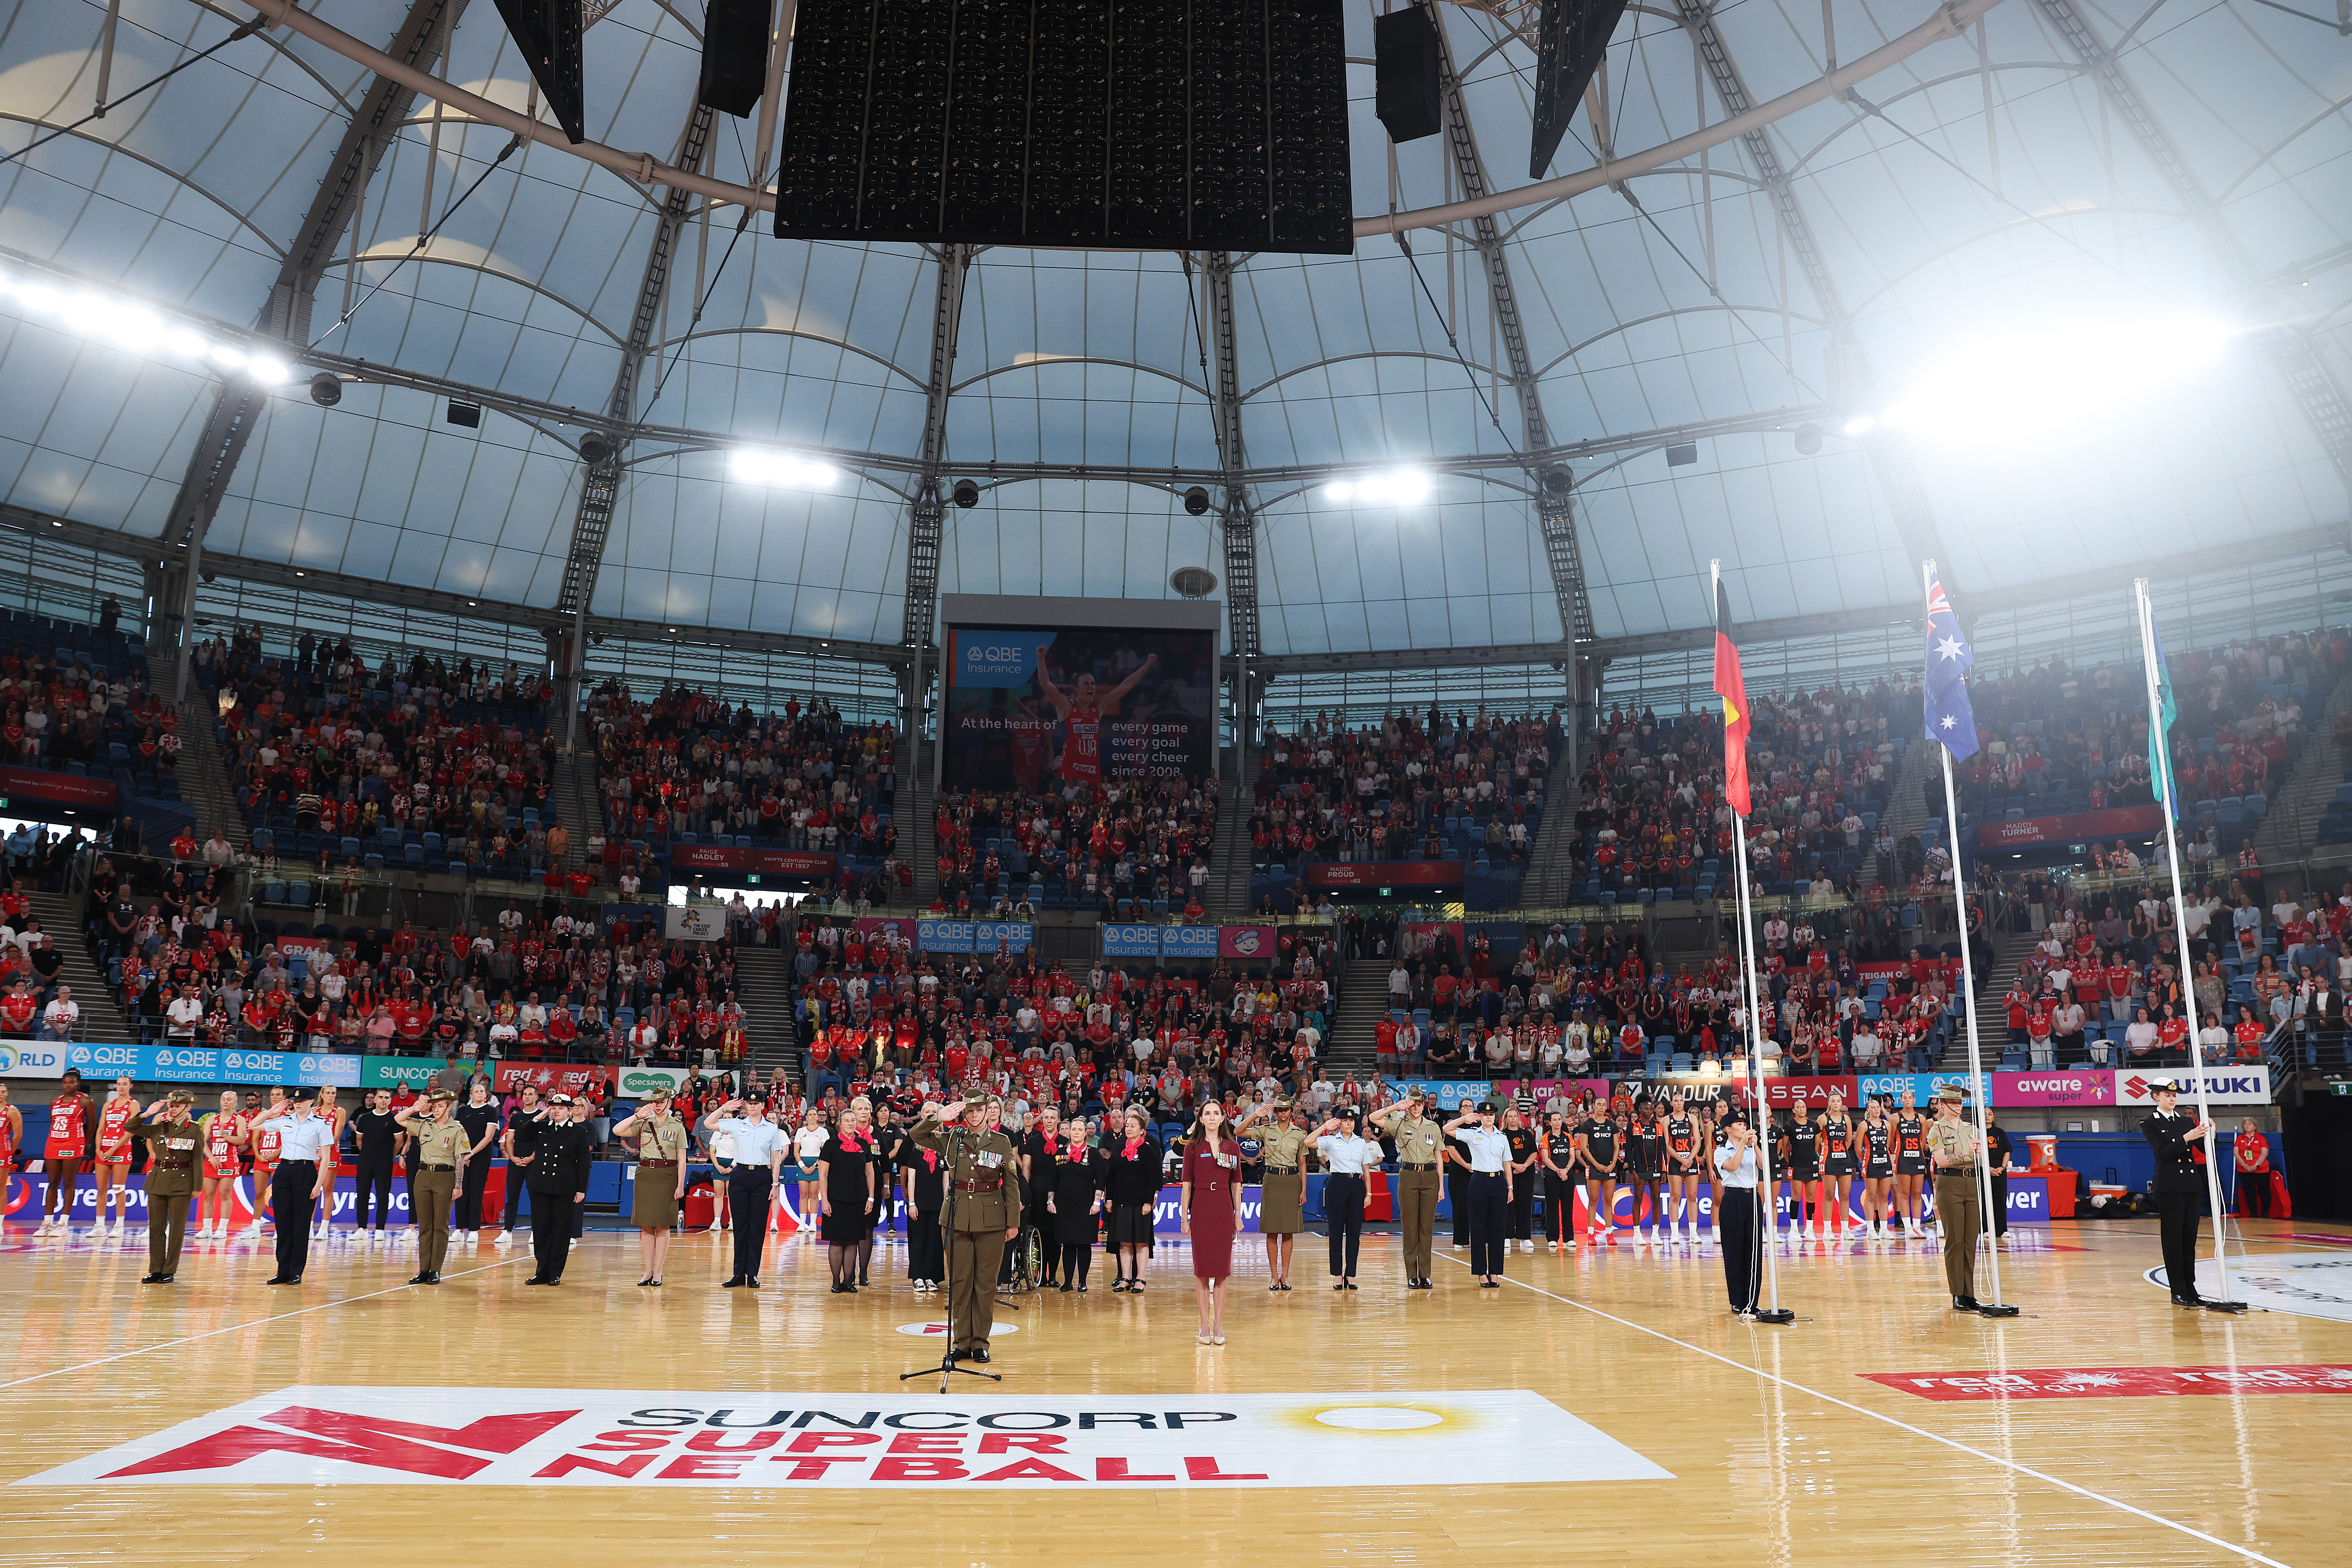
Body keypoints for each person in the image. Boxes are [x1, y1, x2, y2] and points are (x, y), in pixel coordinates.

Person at [909, 1094, 1024, 1364]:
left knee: (985, 1285)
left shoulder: (1001, 1142)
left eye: (979, 1110)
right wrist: (938, 1118)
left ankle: (980, 1343)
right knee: (960, 1284)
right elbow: (916, 1136)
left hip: (991, 1218)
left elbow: (1011, 1183)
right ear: (963, 1113)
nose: (974, 1115)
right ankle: (961, 1343)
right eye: (969, 1111)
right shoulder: (952, 1138)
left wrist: (1013, 1222)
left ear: (987, 1112)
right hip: (957, 1216)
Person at [2141, 1080, 2222, 1309]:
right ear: (2156, 1097)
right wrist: (2187, 1137)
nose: (2172, 1099)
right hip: (2169, 1186)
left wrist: (2211, 1134)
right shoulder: (2150, 1122)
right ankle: (2178, 1290)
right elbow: (2163, 1153)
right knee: (2173, 1241)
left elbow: (2205, 1150)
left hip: (2191, 1184)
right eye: (2167, 1095)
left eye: (2174, 1095)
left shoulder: (2186, 1121)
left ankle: (2190, 1288)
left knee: (2189, 1240)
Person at [703, 1095, 788, 1287]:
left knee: (757, 1227)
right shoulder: (736, 1123)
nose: (753, 1107)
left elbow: (776, 1159)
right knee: (740, 1226)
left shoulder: (772, 1128)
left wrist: (775, 1184)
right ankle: (739, 1274)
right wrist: (725, 1107)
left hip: (762, 1176)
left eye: (756, 1104)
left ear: (763, 1106)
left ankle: (753, 1273)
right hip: (740, 1174)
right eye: (750, 1104)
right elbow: (709, 1123)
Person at [255, 1093, 336, 1285]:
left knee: (301, 1223)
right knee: (283, 1222)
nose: (297, 1104)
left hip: (306, 1170)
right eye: (295, 1101)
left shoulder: (321, 1124)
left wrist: (318, 1185)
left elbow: (326, 1157)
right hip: (284, 1170)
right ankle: (282, 1270)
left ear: (311, 1102)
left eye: (301, 1101)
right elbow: (253, 1125)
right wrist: (271, 1112)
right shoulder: (285, 1120)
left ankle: (296, 1271)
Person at [1181, 1099, 1244, 1344]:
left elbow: (1237, 1184)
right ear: (1201, 1119)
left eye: (1216, 1113)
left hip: (1223, 1207)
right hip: (1202, 1206)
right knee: (1202, 1270)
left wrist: (1238, 1215)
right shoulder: (1193, 1147)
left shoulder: (1232, 1146)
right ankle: (1204, 1326)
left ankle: (1218, 1325)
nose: (1211, 1117)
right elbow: (1186, 1185)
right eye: (1207, 1113)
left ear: (1223, 1118)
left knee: (1221, 1271)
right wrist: (1184, 1217)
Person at [516, 1092, 595, 1285]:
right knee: (541, 1229)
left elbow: (584, 1164)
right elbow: (521, 1135)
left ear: (569, 1111)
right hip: (540, 1186)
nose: (556, 1111)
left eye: (561, 1108)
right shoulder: (542, 1126)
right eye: (553, 1108)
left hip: (564, 1187)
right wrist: (537, 1118)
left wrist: (581, 1190)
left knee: (561, 1231)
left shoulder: (578, 1132)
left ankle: (555, 1273)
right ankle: (541, 1271)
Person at [392, 1089, 469, 1285]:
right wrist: (414, 1108)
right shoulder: (424, 1124)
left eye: (440, 1106)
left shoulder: (457, 1129)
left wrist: (458, 1185)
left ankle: (436, 1270)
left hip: (445, 1177)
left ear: (449, 1108)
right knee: (425, 1226)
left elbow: (459, 1159)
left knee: (440, 1226)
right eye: (434, 1106)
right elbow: (398, 1119)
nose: (436, 1110)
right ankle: (423, 1269)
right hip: (423, 1176)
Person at [127, 1091, 204, 1283]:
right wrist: (147, 1114)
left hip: (181, 1183)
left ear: (188, 1108)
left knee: (177, 1230)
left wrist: (197, 1187)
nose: (173, 1109)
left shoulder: (194, 1130)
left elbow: (197, 1160)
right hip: (158, 1181)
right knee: (156, 1228)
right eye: (171, 1106)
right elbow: (129, 1127)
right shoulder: (160, 1127)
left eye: (178, 1106)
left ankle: (169, 1270)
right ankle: (155, 1269)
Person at [1371, 1088, 1444, 1289]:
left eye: (1420, 1105)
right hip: (1409, 1175)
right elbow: (1373, 1118)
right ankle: (1412, 1274)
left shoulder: (1433, 1127)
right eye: (1413, 1105)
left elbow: (1439, 1157)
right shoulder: (1399, 1124)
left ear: (1424, 1106)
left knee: (1427, 1228)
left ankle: (1425, 1274)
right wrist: (1396, 1107)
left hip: (1430, 1177)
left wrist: (1441, 1186)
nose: (1417, 1108)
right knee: (1410, 1228)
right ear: (1408, 1106)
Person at [615, 1088, 688, 1286]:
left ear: (669, 1104)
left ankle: (658, 1271)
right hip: (645, 1174)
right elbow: (618, 1131)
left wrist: (680, 1185)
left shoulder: (677, 1126)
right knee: (646, 1225)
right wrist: (637, 1115)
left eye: (661, 1102)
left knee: (663, 1225)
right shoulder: (644, 1123)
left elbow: (682, 1159)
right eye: (654, 1102)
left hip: (667, 1174)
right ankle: (648, 1271)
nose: (657, 1105)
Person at [1926, 1087, 1987, 1311]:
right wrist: (1965, 1153)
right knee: (1955, 1241)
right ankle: (1957, 1294)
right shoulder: (1937, 1130)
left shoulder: (1972, 1129)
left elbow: (1982, 1159)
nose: (1959, 1106)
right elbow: (1941, 1161)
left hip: (1972, 1183)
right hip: (1950, 1183)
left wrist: (1980, 1155)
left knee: (1971, 1241)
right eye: (1953, 1102)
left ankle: (1970, 1294)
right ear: (1942, 1104)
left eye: (1960, 1102)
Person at [1238, 1098, 1307, 1291]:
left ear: (1291, 1112)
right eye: (1279, 1110)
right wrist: (1255, 1115)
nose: (1283, 1113)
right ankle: (1274, 1276)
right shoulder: (1267, 1130)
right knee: (1272, 1230)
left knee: (1288, 1231)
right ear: (1275, 1112)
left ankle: (1285, 1275)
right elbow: (1238, 1132)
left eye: (1286, 1110)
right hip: (1272, 1179)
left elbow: (1302, 1164)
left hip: (1292, 1181)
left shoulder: (1298, 1134)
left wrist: (1304, 1190)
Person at [1445, 1098, 1514, 1286]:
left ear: (1495, 1117)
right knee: (1478, 1229)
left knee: (1498, 1230)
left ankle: (1495, 1272)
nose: (1488, 1118)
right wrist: (1465, 1119)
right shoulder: (1472, 1134)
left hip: (1498, 1182)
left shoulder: (1502, 1137)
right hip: (1479, 1182)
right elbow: (1447, 1129)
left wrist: (1510, 1187)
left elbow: (1507, 1164)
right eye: (1485, 1115)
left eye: (1491, 1115)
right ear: (1480, 1117)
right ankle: (1481, 1273)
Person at [1309, 1107, 1377, 1290]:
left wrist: (1369, 1194)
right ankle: (1337, 1275)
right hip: (1337, 1183)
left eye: (1352, 1121)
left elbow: (1367, 1171)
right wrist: (1325, 1126)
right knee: (1336, 1231)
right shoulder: (1331, 1140)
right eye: (1345, 1121)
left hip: (1356, 1185)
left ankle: (1351, 1275)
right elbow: (1308, 1142)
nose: (1349, 1124)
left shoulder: (1361, 1143)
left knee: (1354, 1232)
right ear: (1338, 1123)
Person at [817, 1100, 879, 1293]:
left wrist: (871, 1198)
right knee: (836, 1241)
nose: (851, 1123)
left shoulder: (864, 1144)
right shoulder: (831, 1145)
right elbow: (823, 1175)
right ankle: (836, 1282)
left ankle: (849, 1281)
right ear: (840, 1124)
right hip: (835, 1200)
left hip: (858, 1200)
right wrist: (825, 1200)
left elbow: (870, 1173)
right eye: (847, 1121)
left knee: (852, 1241)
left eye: (853, 1120)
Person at [1100, 1104, 1161, 1293]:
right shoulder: (1119, 1148)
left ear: (1142, 1131)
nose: (1129, 1128)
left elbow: (1155, 1178)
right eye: (1128, 1126)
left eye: (1133, 1126)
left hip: (1141, 1204)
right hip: (1121, 1203)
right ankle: (1125, 1278)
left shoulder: (1148, 1150)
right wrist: (1109, 1199)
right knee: (1124, 1242)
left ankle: (1141, 1279)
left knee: (1141, 1242)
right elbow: (1111, 1176)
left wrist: (1149, 1202)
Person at [1045, 1113, 1103, 1291]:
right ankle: (1068, 1282)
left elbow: (1101, 1181)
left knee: (1084, 1243)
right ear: (1069, 1132)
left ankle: (1083, 1282)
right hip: (1064, 1206)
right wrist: (1050, 1202)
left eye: (1080, 1130)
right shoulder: (1060, 1153)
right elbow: (1052, 1180)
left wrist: (1097, 1203)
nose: (1076, 1132)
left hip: (1086, 1205)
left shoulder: (1094, 1154)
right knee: (1068, 1244)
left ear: (1086, 1133)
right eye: (1074, 1129)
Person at [1715, 1110, 1764, 1314]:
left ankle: (1752, 1300)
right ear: (1728, 1129)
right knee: (1734, 1252)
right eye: (1739, 1125)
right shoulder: (1721, 1151)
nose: (1744, 1127)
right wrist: (1743, 1144)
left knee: (1754, 1251)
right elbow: (1733, 1166)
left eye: (1745, 1125)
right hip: (1733, 1199)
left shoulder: (1752, 1148)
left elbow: (1764, 1166)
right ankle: (1737, 1300)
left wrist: (1756, 1146)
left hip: (1752, 1197)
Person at [36, 1068, 94, 1233]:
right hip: (54, 1143)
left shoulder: (86, 1101)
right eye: (65, 1082)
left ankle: (63, 1223)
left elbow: (92, 1127)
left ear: (78, 1084)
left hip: (73, 1144)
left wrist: (82, 1144)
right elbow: (52, 1122)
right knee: (53, 1182)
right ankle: (47, 1222)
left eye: (72, 1082)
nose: (68, 1085)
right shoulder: (54, 1102)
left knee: (69, 1183)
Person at [901, 1107, 948, 1292]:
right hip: (919, 1205)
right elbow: (911, 1180)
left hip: (937, 1205)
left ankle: (930, 1277)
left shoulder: (943, 1155)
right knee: (918, 1241)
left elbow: (946, 1182)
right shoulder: (915, 1153)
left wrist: (946, 1205)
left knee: (933, 1242)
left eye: (937, 1128)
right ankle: (918, 1277)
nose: (934, 1131)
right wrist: (912, 1203)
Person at [495, 1083, 545, 1248]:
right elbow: (510, 1141)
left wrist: (531, 1158)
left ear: (537, 1097)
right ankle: (507, 1231)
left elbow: (543, 1142)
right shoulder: (516, 1117)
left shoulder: (542, 1116)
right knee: (512, 1198)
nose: (527, 1097)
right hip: (515, 1163)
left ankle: (536, 1231)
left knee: (536, 1199)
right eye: (525, 1094)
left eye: (530, 1094)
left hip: (534, 1163)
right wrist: (513, 1158)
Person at [451, 1078, 501, 1245]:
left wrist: (470, 1155)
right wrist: (463, 1155)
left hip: (480, 1157)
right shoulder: (463, 1111)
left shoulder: (490, 1111)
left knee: (476, 1192)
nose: (480, 1093)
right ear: (471, 1095)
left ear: (486, 1095)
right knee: (460, 1191)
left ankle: (474, 1230)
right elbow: (457, 1134)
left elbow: (489, 1137)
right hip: (462, 1156)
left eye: (482, 1091)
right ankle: (459, 1229)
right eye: (476, 1091)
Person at [349, 1089, 400, 1243]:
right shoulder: (365, 1118)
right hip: (365, 1161)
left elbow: (399, 1142)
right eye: (381, 1097)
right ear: (375, 1100)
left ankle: (380, 1229)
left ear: (390, 1101)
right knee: (362, 1194)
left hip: (384, 1162)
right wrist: (367, 1153)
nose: (383, 1100)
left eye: (387, 1098)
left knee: (383, 1195)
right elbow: (359, 1139)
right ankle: (362, 1228)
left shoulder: (394, 1119)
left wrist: (388, 1156)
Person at [90, 1075, 139, 1235]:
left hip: (121, 1150)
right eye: (119, 1084)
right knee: (101, 1189)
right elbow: (101, 1129)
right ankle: (100, 1226)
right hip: (103, 1150)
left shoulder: (133, 1104)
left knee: (119, 1188)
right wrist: (98, 1149)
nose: (121, 1087)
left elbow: (132, 1130)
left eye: (125, 1084)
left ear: (131, 1086)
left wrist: (113, 1149)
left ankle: (119, 1226)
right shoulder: (108, 1105)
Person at [196, 1091, 247, 1238]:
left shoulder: (239, 1120)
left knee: (225, 1193)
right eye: (223, 1099)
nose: (225, 1101)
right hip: (212, 1160)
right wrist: (211, 1158)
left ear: (235, 1102)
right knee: (208, 1195)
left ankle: (222, 1229)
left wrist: (225, 1135)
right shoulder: (212, 1120)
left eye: (229, 1099)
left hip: (229, 1161)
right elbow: (203, 1142)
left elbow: (242, 1140)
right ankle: (206, 1228)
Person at [1575, 1097, 1620, 1243]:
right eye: (1599, 1104)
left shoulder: (1612, 1125)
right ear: (1594, 1106)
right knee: (1593, 1200)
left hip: (1610, 1168)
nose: (1601, 1107)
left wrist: (1613, 1164)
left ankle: (1610, 1234)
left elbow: (1617, 1147)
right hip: (1594, 1168)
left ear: (1607, 1107)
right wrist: (1596, 1165)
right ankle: (1591, 1234)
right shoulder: (1587, 1125)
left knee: (1608, 1201)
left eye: (1604, 1105)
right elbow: (1584, 1148)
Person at [1537, 1104, 1579, 1253]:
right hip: (1551, 1176)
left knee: (1568, 1207)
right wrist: (1558, 1171)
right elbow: (1545, 1159)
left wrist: (1566, 1170)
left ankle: (1569, 1238)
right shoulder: (1545, 1138)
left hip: (1568, 1176)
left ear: (1562, 1121)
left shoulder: (1568, 1137)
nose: (1557, 1122)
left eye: (1559, 1120)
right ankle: (1553, 1239)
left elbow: (1573, 1156)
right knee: (1552, 1207)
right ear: (1550, 1123)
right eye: (1554, 1120)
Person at [1781, 1103, 1823, 1243]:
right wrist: (1792, 1161)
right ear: (1794, 1110)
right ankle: (1794, 1229)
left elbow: (1816, 1146)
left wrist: (1809, 1158)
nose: (1801, 1109)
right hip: (1796, 1165)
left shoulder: (1814, 1125)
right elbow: (1785, 1147)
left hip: (1811, 1165)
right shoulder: (1789, 1126)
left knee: (1811, 1197)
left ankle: (1809, 1229)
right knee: (1796, 1196)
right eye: (1798, 1107)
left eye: (1803, 1107)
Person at [1662, 1093, 1701, 1242]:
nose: (1679, 1103)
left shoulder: (1692, 1119)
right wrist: (1682, 1161)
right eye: (1676, 1101)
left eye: (1681, 1101)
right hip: (1675, 1161)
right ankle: (1675, 1234)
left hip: (1691, 1160)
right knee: (1675, 1196)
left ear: (1684, 1102)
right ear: (1671, 1103)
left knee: (1692, 1196)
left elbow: (1697, 1142)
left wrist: (1689, 1160)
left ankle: (1693, 1234)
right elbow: (1666, 1145)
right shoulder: (1667, 1120)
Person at [1501, 1105, 1540, 1252]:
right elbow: (1501, 1155)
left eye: (1515, 1116)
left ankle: (1525, 1238)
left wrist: (1524, 1166)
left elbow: (1534, 1152)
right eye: (1510, 1117)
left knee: (1524, 1204)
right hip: (1509, 1173)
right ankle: (1507, 1237)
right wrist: (1515, 1166)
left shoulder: (1526, 1134)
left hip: (1526, 1174)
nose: (1513, 1119)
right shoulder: (1502, 1135)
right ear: (1506, 1119)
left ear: (1519, 1119)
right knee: (1509, 1205)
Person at [1818, 1092, 1857, 1240]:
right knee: (1829, 1195)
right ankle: (1828, 1231)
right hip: (1828, 1160)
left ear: (1842, 1103)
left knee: (1845, 1196)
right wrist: (1823, 1153)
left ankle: (1845, 1230)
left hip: (1844, 1160)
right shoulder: (1823, 1118)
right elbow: (1817, 1141)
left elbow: (1849, 1141)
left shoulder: (1846, 1119)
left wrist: (1841, 1152)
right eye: (1833, 1101)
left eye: (1838, 1101)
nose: (1836, 1103)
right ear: (1829, 1102)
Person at [1892, 1089, 1928, 1237]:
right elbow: (1891, 1142)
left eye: (1910, 1097)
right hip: (1903, 1158)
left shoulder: (1922, 1119)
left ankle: (1917, 1227)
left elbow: (1923, 1142)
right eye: (1905, 1098)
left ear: (1914, 1101)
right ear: (1901, 1101)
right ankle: (1908, 1228)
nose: (1908, 1100)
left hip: (1918, 1158)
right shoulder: (1896, 1118)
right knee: (1904, 1193)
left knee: (1917, 1193)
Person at [1859, 1097, 1896, 1238]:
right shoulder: (1864, 1125)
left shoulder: (1887, 1125)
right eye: (1873, 1108)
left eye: (1878, 1107)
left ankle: (1884, 1229)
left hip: (1885, 1163)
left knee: (1884, 1197)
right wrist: (1865, 1161)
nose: (1876, 1110)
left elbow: (1888, 1145)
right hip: (1870, 1163)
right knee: (1871, 1196)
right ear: (1868, 1110)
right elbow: (1858, 1148)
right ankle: (1871, 1230)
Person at [2233, 1117, 2275, 1219]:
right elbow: (2236, 1153)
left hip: (2261, 1170)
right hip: (2244, 1170)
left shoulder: (2261, 1139)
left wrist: (2256, 1166)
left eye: (2250, 1124)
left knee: (2264, 1191)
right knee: (2249, 1192)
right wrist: (2245, 1165)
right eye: (2245, 1124)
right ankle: (2253, 1213)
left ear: (2255, 1127)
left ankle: (2265, 1212)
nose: (2247, 1126)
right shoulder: (2240, 1138)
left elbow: (2264, 1154)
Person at [1983, 1106, 2014, 1244]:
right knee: (1985, 1200)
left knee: (2000, 1200)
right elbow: (1976, 1154)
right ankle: (1986, 1229)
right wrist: (1988, 1168)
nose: (1988, 1116)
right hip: (1984, 1170)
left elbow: (2007, 1152)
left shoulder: (2000, 1133)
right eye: (1985, 1114)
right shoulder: (1977, 1133)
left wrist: (2002, 1167)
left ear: (1994, 1117)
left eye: (1990, 1114)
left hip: (2000, 1171)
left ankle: (2002, 1229)